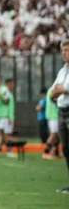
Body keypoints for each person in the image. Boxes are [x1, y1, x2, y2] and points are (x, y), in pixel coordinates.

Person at [50, 39, 69, 194]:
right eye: (63, 50)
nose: (64, 53)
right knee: (66, 149)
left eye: (67, 50)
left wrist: (61, 89)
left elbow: (63, 89)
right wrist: (60, 90)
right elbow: (53, 92)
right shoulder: (62, 71)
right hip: (62, 111)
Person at [43, 87, 61, 159]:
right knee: (54, 134)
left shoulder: (51, 89)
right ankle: (46, 152)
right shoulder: (55, 89)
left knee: (56, 134)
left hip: (52, 115)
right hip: (54, 115)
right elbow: (55, 101)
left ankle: (56, 153)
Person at [4, 79, 17, 158]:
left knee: (8, 134)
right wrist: (8, 116)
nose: (13, 85)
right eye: (12, 83)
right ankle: (9, 150)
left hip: (11, 116)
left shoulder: (10, 93)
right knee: (7, 134)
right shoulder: (5, 93)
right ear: (8, 84)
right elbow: (5, 106)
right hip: (7, 117)